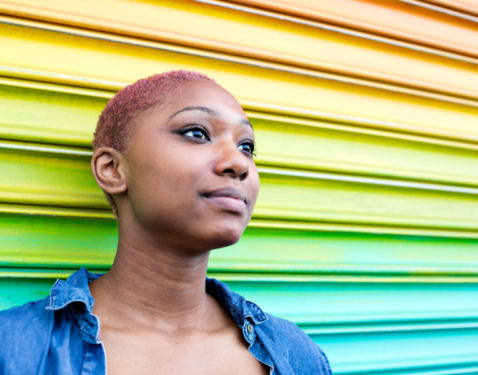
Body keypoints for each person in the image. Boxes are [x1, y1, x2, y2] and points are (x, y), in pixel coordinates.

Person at [0, 70, 332, 374]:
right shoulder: (15, 351)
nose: (238, 163)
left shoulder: (296, 355)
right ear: (112, 170)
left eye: (246, 147)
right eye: (197, 132)